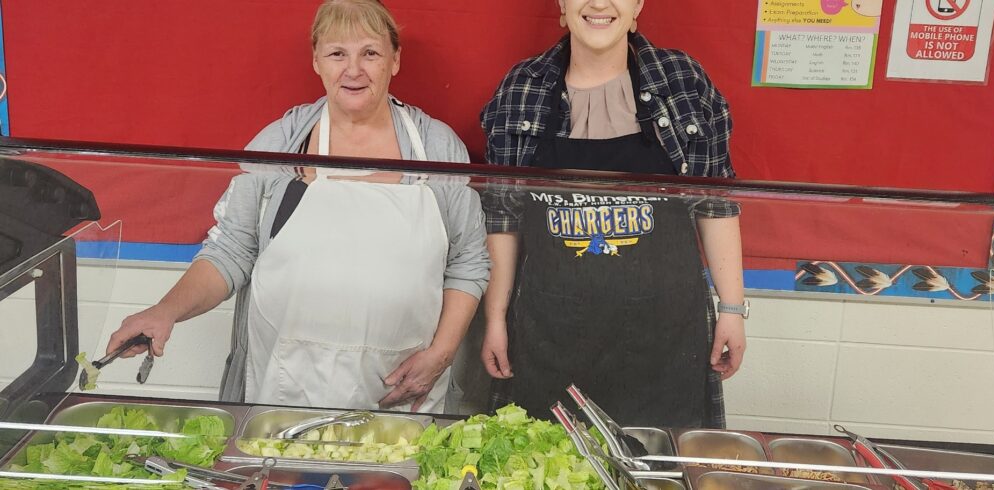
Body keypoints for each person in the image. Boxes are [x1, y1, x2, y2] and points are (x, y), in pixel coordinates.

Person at [106, 0, 489, 414]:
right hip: (283, 387)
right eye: (337, 53)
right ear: (316, 61)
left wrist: (441, 355)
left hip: (401, 390)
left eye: (370, 53)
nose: (354, 70)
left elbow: (468, 262)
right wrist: (165, 311)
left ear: (395, 60)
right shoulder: (280, 144)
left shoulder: (436, 148)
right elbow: (230, 251)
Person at [478, 0, 746, 428]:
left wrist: (732, 308)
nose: (600, 3)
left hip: (665, 339)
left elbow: (716, 204)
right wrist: (495, 318)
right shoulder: (523, 89)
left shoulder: (682, 81)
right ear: (562, 5)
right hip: (550, 338)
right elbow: (501, 219)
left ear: (638, 5)